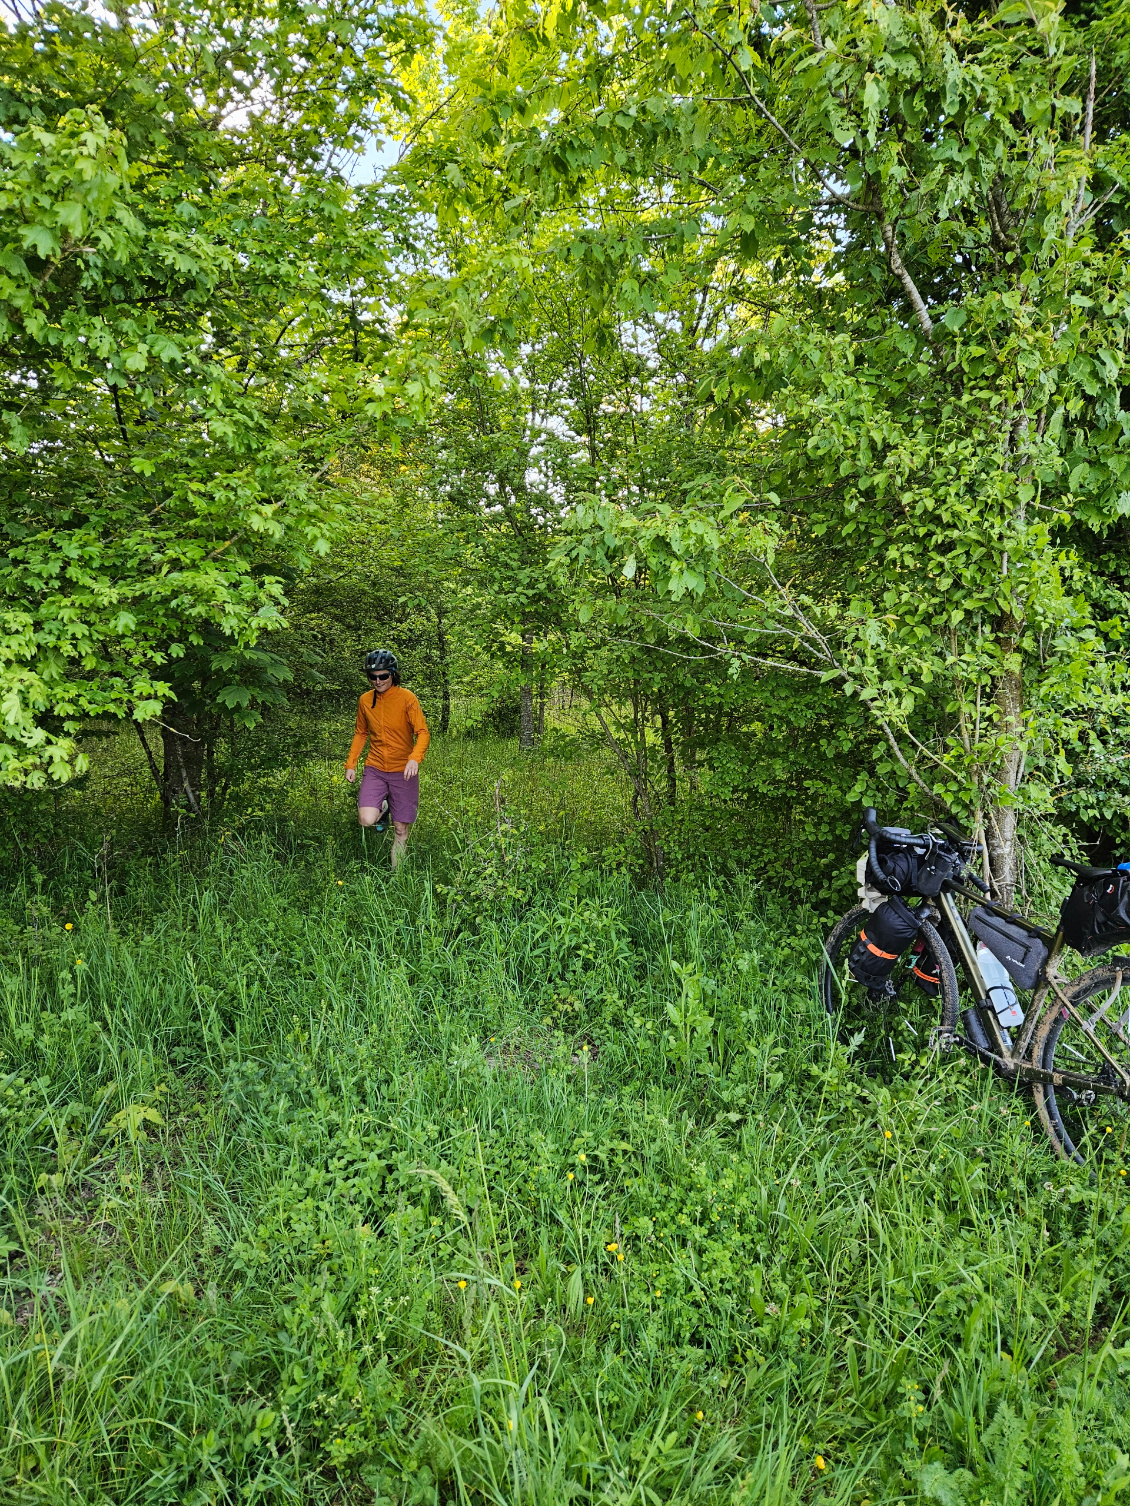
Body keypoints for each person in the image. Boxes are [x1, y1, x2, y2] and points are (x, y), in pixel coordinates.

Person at [345, 649, 429, 869]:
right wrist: (351, 763)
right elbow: (361, 732)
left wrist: (414, 758)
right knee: (366, 819)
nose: (378, 681)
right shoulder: (365, 701)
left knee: (401, 829)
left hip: (403, 771)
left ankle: (397, 880)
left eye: (383, 676)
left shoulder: (407, 698)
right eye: (373, 677)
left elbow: (423, 732)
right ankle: (383, 807)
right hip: (376, 767)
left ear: (393, 674)